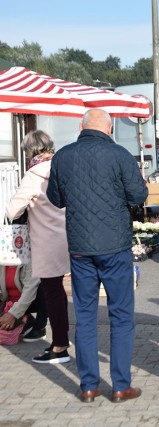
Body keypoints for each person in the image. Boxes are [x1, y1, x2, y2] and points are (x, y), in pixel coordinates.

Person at [47, 109, 148, 403]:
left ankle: (89, 386)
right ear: (110, 128)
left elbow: (55, 199)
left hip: (80, 248)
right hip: (115, 246)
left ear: (81, 126)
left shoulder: (63, 156)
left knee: (86, 317)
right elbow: (139, 196)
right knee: (121, 316)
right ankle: (120, 385)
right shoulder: (119, 154)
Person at [6, 130, 71, 362]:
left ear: (30, 151)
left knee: (52, 292)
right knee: (61, 293)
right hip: (72, 238)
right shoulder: (64, 166)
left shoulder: (33, 174)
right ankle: (63, 337)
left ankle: (59, 347)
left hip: (46, 242)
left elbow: (12, 210)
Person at [0, 264, 46, 344]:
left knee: (45, 287)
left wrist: (13, 314)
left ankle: (40, 327)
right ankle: (27, 321)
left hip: (31, 301)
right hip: (9, 302)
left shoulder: (29, 260)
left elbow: (30, 291)